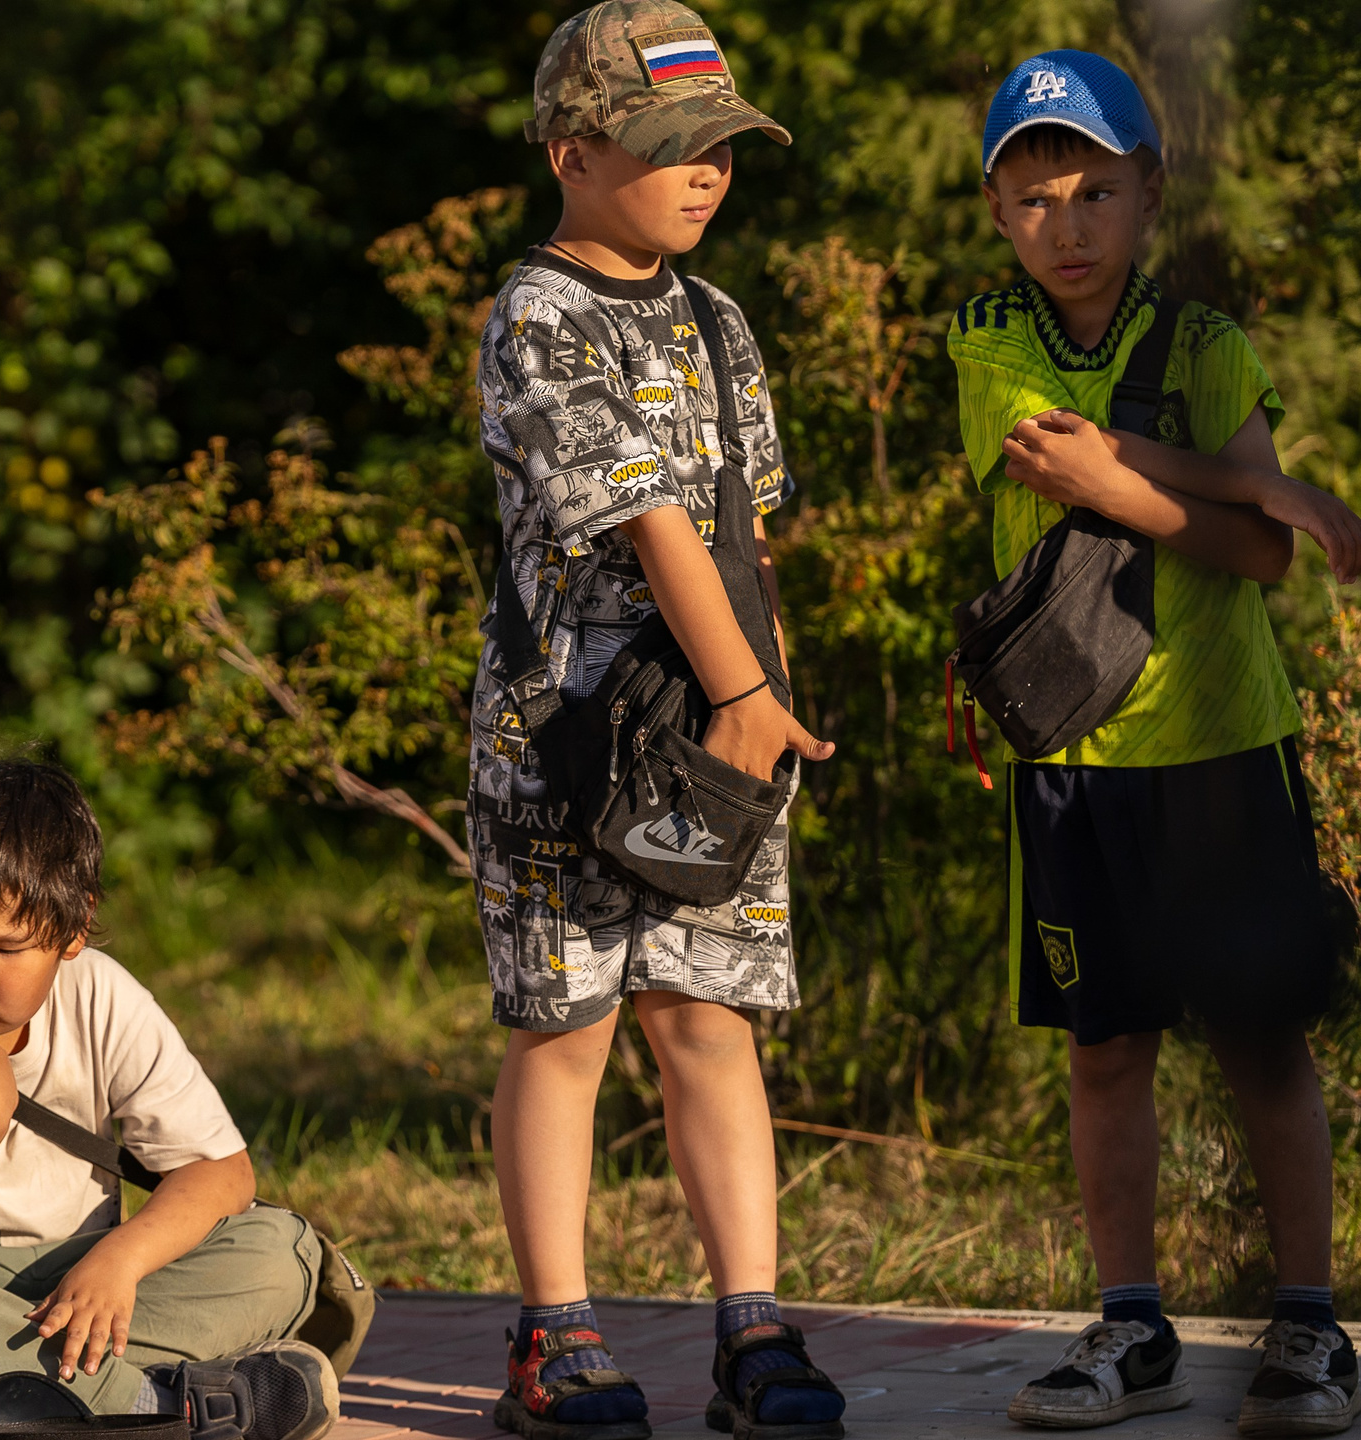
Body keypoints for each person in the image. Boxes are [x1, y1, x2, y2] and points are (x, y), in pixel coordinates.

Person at [948, 51, 1361, 1437]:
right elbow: (1066, 460)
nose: (1065, 225)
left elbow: (1263, 561)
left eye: (1094, 191)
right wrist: (1253, 485)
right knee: (1105, 1050)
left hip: (1222, 743)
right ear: (995, 212)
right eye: (1032, 198)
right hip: (1072, 757)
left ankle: (1309, 1329)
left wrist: (1237, 501)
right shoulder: (986, 337)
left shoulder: (1208, 346)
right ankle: (1132, 1328)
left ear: (1149, 193)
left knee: (1261, 1041)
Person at [468, 5, 848, 1439]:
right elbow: (650, 523)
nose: (705, 173)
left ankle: (753, 1326)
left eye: (723, 150)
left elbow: (745, 535)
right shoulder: (538, 315)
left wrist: (768, 711)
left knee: (710, 1021)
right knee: (566, 1028)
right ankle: (555, 1334)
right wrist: (747, 696)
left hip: (718, 740)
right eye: (670, 146)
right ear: (571, 154)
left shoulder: (716, 318)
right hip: (564, 742)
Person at [0, 759, 339, 1440]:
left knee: (281, 1248)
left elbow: (221, 1173)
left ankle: (0, 1402)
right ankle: (157, 1405)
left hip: (77, 1286)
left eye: (8, 948)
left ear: (74, 929)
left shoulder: (101, 993)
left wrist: (119, 1260)